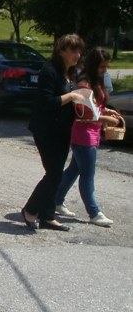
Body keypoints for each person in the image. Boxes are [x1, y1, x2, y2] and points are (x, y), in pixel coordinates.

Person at [22, 34, 85, 232]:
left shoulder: (72, 73)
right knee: (54, 173)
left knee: (56, 173)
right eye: (73, 50)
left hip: (63, 130)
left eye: (79, 50)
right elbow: (48, 102)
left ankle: (47, 216)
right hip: (46, 129)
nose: (77, 54)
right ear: (61, 51)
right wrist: (72, 95)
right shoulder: (49, 71)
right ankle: (30, 209)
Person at [55, 47, 121, 227]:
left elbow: (95, 106)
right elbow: (82, 113)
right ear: (93, 66)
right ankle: (94, 213)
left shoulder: (94, 82)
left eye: (106, 66)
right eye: (102, 67)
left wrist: (106, 110)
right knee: (87, 175)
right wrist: (105, 118)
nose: (105, 70)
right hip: (84, 135)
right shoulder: (84, 84)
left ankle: (56, 200)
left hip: (90, 134)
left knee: (73, 170)